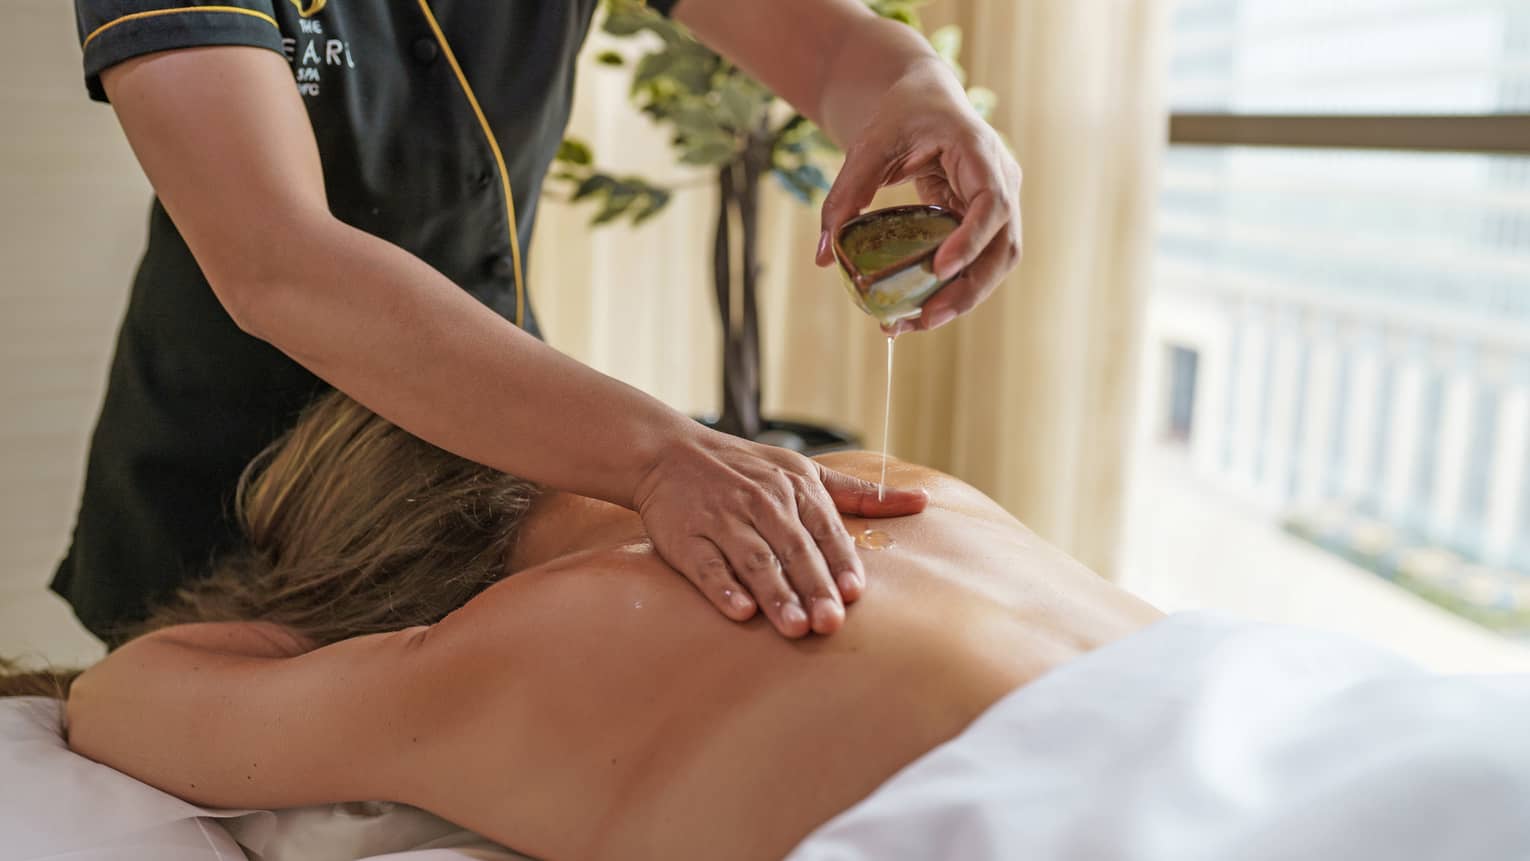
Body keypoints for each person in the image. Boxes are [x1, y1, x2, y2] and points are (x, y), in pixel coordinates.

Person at [56, 0, 1024, 646]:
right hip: (225, 518)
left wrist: (914, 84)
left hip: (488, 495)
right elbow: (274, 258)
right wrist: (656, 455)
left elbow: (830, 47)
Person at [60, 390, 1157, 860]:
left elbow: (119, 698)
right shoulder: (877, 482)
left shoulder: (523, 649)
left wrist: (307, 624)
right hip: (1290, 710)